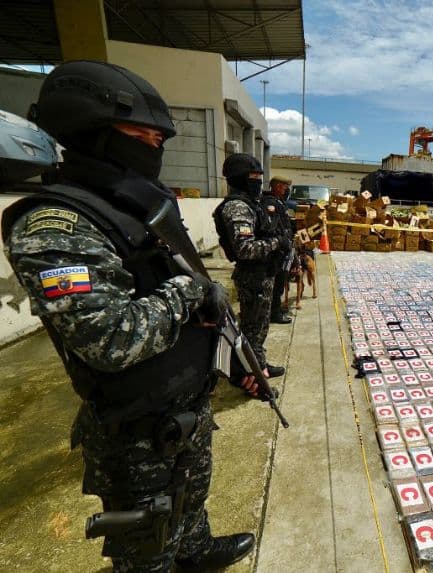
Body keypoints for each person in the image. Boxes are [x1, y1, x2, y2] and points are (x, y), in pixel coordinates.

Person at [1, 60, 256, 572]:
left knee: (191, 495)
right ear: (91, 133)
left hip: (183, 397)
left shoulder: (136, 205)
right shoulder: (57, 224)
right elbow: (112, 340)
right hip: (136, 423)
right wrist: (189, 293)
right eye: (141, 135)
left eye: (159, 138)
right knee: (147, 543)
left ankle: (196, 549)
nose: (155, 147)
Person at [213, 154, 289, 378]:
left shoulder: (251, 204)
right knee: (252, 329)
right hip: (252, 276)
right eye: (254, 177)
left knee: (258, 328)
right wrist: (277, 242)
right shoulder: (237, 207)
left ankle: (259, 365)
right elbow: (245, 249)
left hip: (262, 274)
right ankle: (253, 376)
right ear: (239, 178)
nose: (258, 181)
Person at [261, 176, 293, 324]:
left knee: (280, 282)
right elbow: (270, 227)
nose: (288, 190)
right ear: (278, 187)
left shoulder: (280, 202)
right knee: (276, 284)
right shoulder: (270, 203)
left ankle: (276, 309)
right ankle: (274, 314)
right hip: (275, 251)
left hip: (282, 249)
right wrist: (281, 241)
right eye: (286, 187)